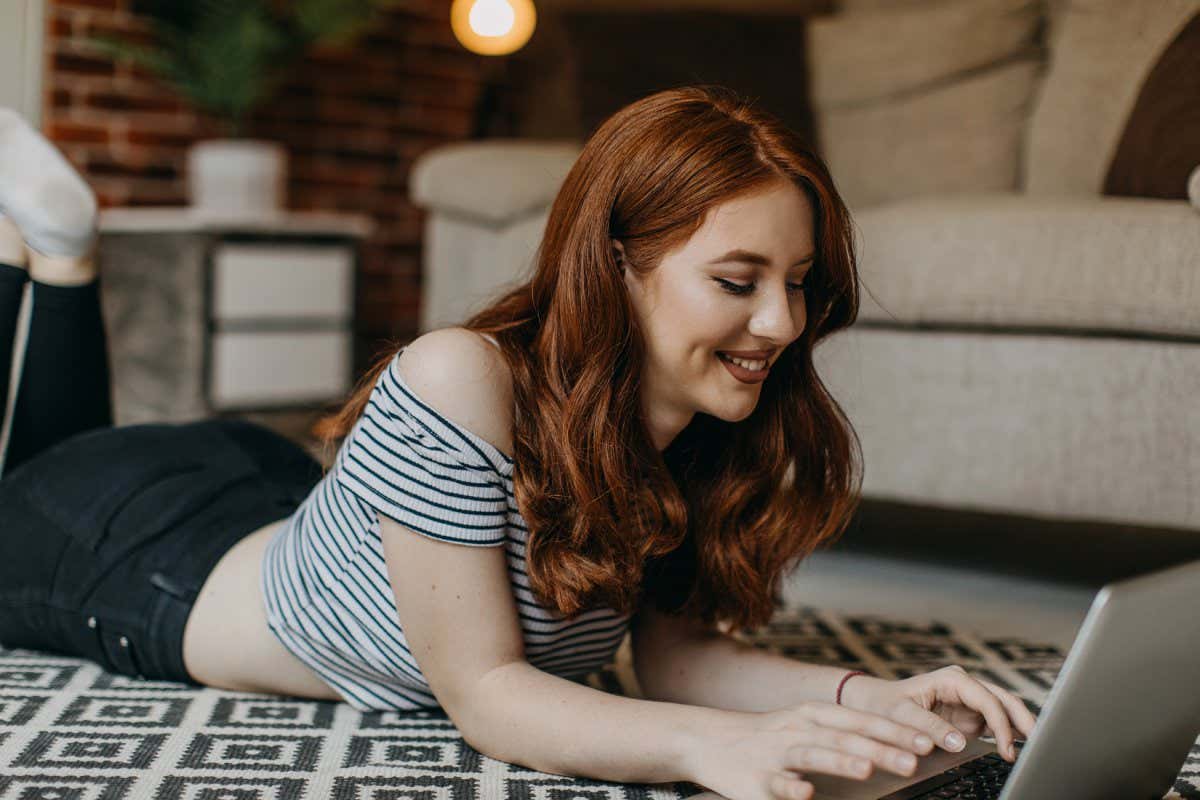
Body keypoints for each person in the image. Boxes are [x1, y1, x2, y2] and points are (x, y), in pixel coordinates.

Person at [0, 89, 1037, 800]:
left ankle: (56, 252)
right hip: (141, 561)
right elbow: (486, 694)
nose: (781, 322)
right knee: (29, 477)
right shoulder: (457, 374)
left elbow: (679, 658)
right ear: (618, 264)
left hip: (262, 491)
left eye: (798, 280)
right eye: (737, 280)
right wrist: (718, 748)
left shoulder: (699, 427)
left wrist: (873, 697)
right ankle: (59, 252)